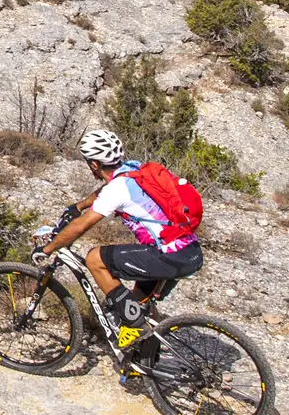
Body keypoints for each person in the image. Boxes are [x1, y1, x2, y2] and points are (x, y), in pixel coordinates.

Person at [36, 129, 205, 338]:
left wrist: (48, 248)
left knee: (94, 258)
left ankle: (135, 332)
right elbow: (103, 191)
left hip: (167, 256)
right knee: (135, 303)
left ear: (94, 165)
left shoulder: (116, 190)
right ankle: (141, 360)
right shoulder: (133, 169)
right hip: (189, 251)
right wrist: (79, 205)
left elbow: (82, 226)